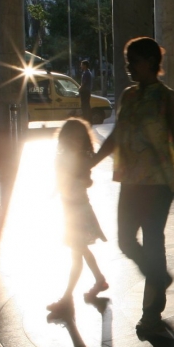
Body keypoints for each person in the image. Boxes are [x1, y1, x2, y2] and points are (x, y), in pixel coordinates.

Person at [92, 37, 174, 335]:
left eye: (133, 60)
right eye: (127, 60)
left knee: (152, 241)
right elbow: (115, 135)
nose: (127, 66)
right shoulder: (127, 96)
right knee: (125, 240)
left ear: (150, 62)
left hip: (160, 182)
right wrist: (92, 162)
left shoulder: (169, 100)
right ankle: (159, 277)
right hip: (130, 179)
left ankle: (151, 312)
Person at [46, 119, 109, 315]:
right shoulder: (65, 155)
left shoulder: (79, 158)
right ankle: (99, 280)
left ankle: (67, 298)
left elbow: (85, 181)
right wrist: (54, 192)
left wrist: (74, 179)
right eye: (70, 137)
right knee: (80, 251)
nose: (73, 141)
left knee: (77, 253)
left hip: (78, 211)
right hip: (71, 210)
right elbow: (62, 179)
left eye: (77, 138)